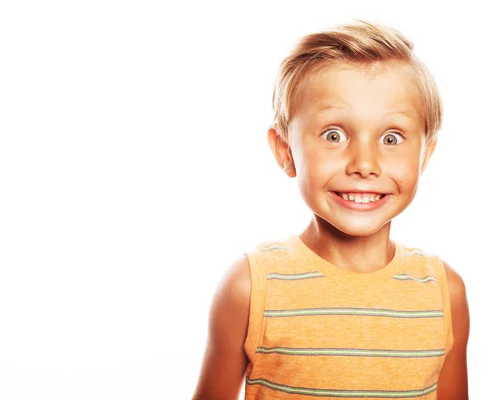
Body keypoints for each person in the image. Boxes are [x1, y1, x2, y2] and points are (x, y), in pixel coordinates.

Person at [192, 20, 469, 400]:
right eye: (333, 135)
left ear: (425, 154)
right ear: (285, 150)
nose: (365, 164)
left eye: (391, 138)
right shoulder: (251, 287)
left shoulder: (444, 292)